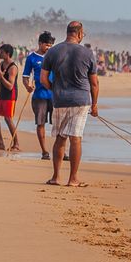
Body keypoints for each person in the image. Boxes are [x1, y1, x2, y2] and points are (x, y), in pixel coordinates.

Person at [40, 20, 100, 187]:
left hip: (60, 99)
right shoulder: (87, 53)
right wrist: (94, 105)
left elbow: (43, 79)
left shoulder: (52, 52)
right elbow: (94, 83)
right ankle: (73, 178)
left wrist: (55, 89)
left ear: (68, 32)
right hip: (81, 100)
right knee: (76, 138)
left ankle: (56, 177)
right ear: (79, 34)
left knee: (60, 138)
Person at [22, 32, 55, 157]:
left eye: (51, 45)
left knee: (58, 124)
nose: (49, 48)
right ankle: (44, 151)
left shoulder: (53, 57)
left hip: (54, 96)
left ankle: (60, 151)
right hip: (39, 96)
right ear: (40, 43)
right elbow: (25, 77)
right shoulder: (32, 58)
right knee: (41, 123)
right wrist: (27, 86)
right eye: (47, 45)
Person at [0, 44, 21, 151]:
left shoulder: (13, 67)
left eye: (1, 52)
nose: (0, 53)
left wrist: (1, 76)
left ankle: (16, 143)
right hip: (2, 94)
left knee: (8, 119)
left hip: (10, 96)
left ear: (7, 54)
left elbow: (10, 86)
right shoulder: (2, 63)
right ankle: (1, 142)